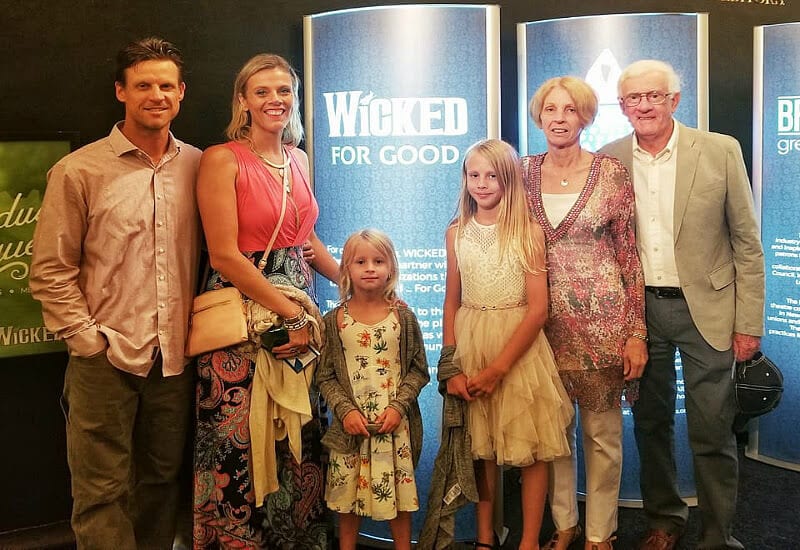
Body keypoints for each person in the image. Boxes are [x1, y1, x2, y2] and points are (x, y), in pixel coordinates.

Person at [29, 37, 200, 549]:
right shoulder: (79, 171)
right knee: (101, 492)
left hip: (173, 360)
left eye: (166, 85)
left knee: (161, 484)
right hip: (104, 360)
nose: (156, 94)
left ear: (182, 93)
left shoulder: (199, 166)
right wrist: (87, 342)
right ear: (120, 91)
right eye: (143, 84)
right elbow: (50, 269)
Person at [601, 60, 765, 550]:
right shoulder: (608, 160)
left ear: (675, 100)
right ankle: (663, 522)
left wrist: (748, 322)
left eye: (655, 95)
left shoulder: (719, 150)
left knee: (713, 431)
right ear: (623, 106)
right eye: (634, 98)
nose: (645, 105)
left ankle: (717, 535)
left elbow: (747, 243)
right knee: (649, 424)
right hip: (639, 315)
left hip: (710, 312)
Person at [192, 53, 339, 548]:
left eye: (283, 91)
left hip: (298, 312)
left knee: (297, 438)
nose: (275, 100)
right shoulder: (221, 159)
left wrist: (355, 283)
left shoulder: (297, 158)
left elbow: (305, 240)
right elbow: (225, 255)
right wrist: (291, 312)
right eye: (262, 92)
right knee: (240, 438)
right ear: (243, 101)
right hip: (243, 316)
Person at [522, 76, 648, 550]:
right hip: (540, 327)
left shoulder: (612, 172)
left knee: (602, 437)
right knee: (554, 437)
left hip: (603, 327)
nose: (559, 118)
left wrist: (636, 331)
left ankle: (599, 533)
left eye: (570, 110)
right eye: (551, 109)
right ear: (539, 116)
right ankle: (564, 524)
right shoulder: (521, 171)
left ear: (586, 117)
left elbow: (630, 256)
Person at [441, 138, 573, 550]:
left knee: (531, 447)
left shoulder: (527, 231)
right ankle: (484, 537)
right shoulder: (456, 232)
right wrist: (451, 364)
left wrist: (499, 367)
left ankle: (529, 540)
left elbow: (538, 309)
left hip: (518, 348)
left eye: (491, 175)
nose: (481, 184)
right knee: (480, 447)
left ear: (509, 179)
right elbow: (451, 298)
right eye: (473, 174)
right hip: (471, 340)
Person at [317, 229, 430, 550]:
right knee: (347, 499)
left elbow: (418, 370)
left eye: (378, 261)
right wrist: (346, 411)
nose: (370, 268)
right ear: (346, 269)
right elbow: (325, 376)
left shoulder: (403, 318)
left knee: (400, 496)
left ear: (391, 268)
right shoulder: (333, 320)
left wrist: (398, 408)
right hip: (350, 428)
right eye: (361, 261)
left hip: (394, 428)